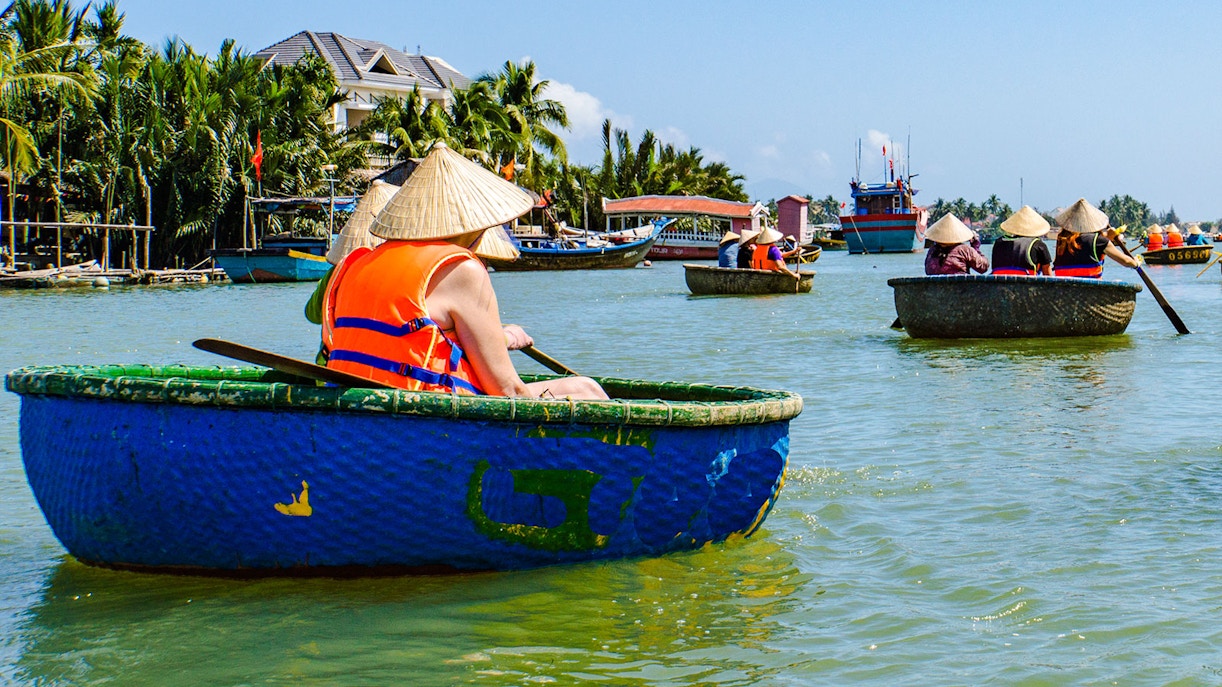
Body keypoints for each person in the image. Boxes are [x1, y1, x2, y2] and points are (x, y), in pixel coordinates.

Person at [323, 143, 608, 400]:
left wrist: (503, 337)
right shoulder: (462, 269)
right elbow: (507, 390)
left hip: (354, 409)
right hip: (425, 416)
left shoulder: (354, 264)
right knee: (586, 389)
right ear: (478, 225)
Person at [304, 180, 396, 363]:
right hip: (380, 370)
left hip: (332, 365)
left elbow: (312, 315)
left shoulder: (335, 274)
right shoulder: (401, 275)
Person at [1052, 198, 1141, 278]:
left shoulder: (1062, 240)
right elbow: (1125, 261)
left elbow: (1085, 248)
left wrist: (1108, 238)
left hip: (1064, 291)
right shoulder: (1099, 241)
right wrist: (1136, 263)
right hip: (1091, 291)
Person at [991, 206, 1052, 276]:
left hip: (1000, 286)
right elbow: (1048, 276)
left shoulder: (998, 243)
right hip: (1027, 286)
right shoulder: (1038, 245)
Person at [924, 214, 989, 275]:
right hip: (960, 286)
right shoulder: (964, 250)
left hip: (935, 287)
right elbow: (983, 267)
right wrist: (976, 248)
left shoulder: (932, 251)